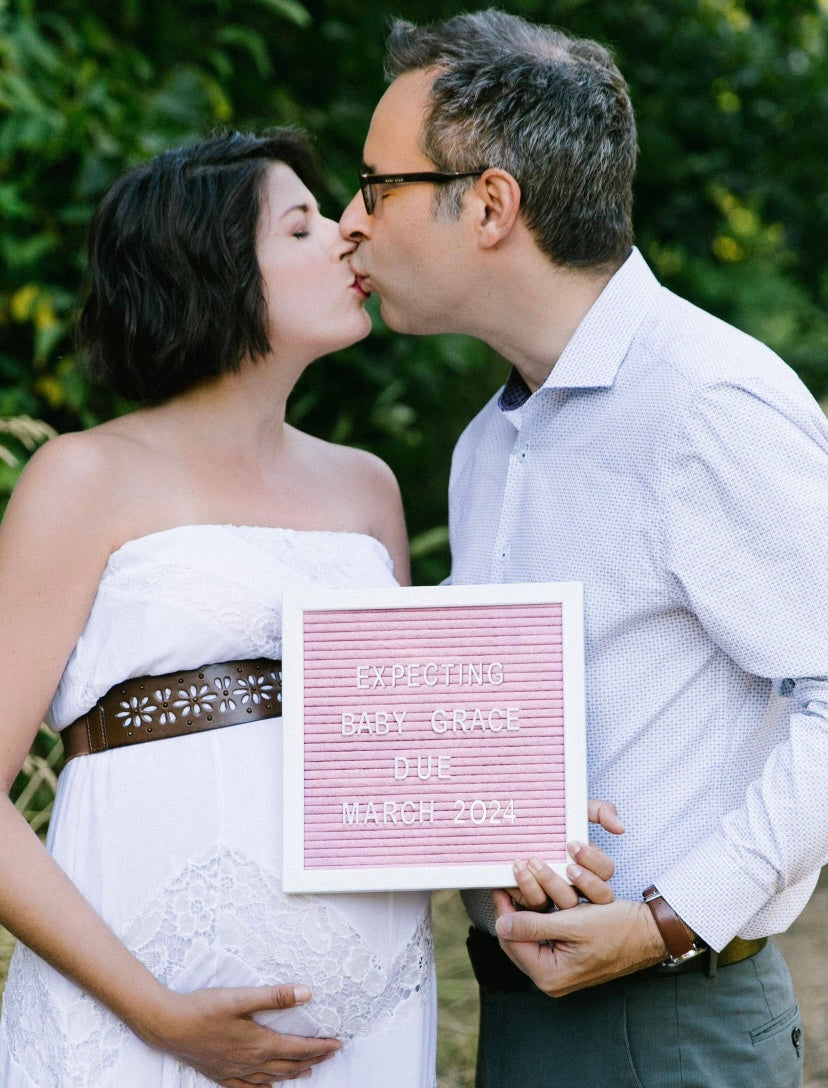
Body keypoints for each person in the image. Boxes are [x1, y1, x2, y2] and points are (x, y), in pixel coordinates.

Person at [339, 10, 828, 1087]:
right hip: (522, 1013)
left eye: (377, 187)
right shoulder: (487, 445)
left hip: (671, 1021)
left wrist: (665, 919)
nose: (348, 222)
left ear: (493, 205)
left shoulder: (709, 401)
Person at [0, 128, 436, 1087]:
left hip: (368, 1012)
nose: (347, 236)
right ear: (208, 270)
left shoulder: (368, 489)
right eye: (302, 225)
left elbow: (414, 760)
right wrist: (160, 1016)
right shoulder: (82, 477)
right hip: (134, 1011)